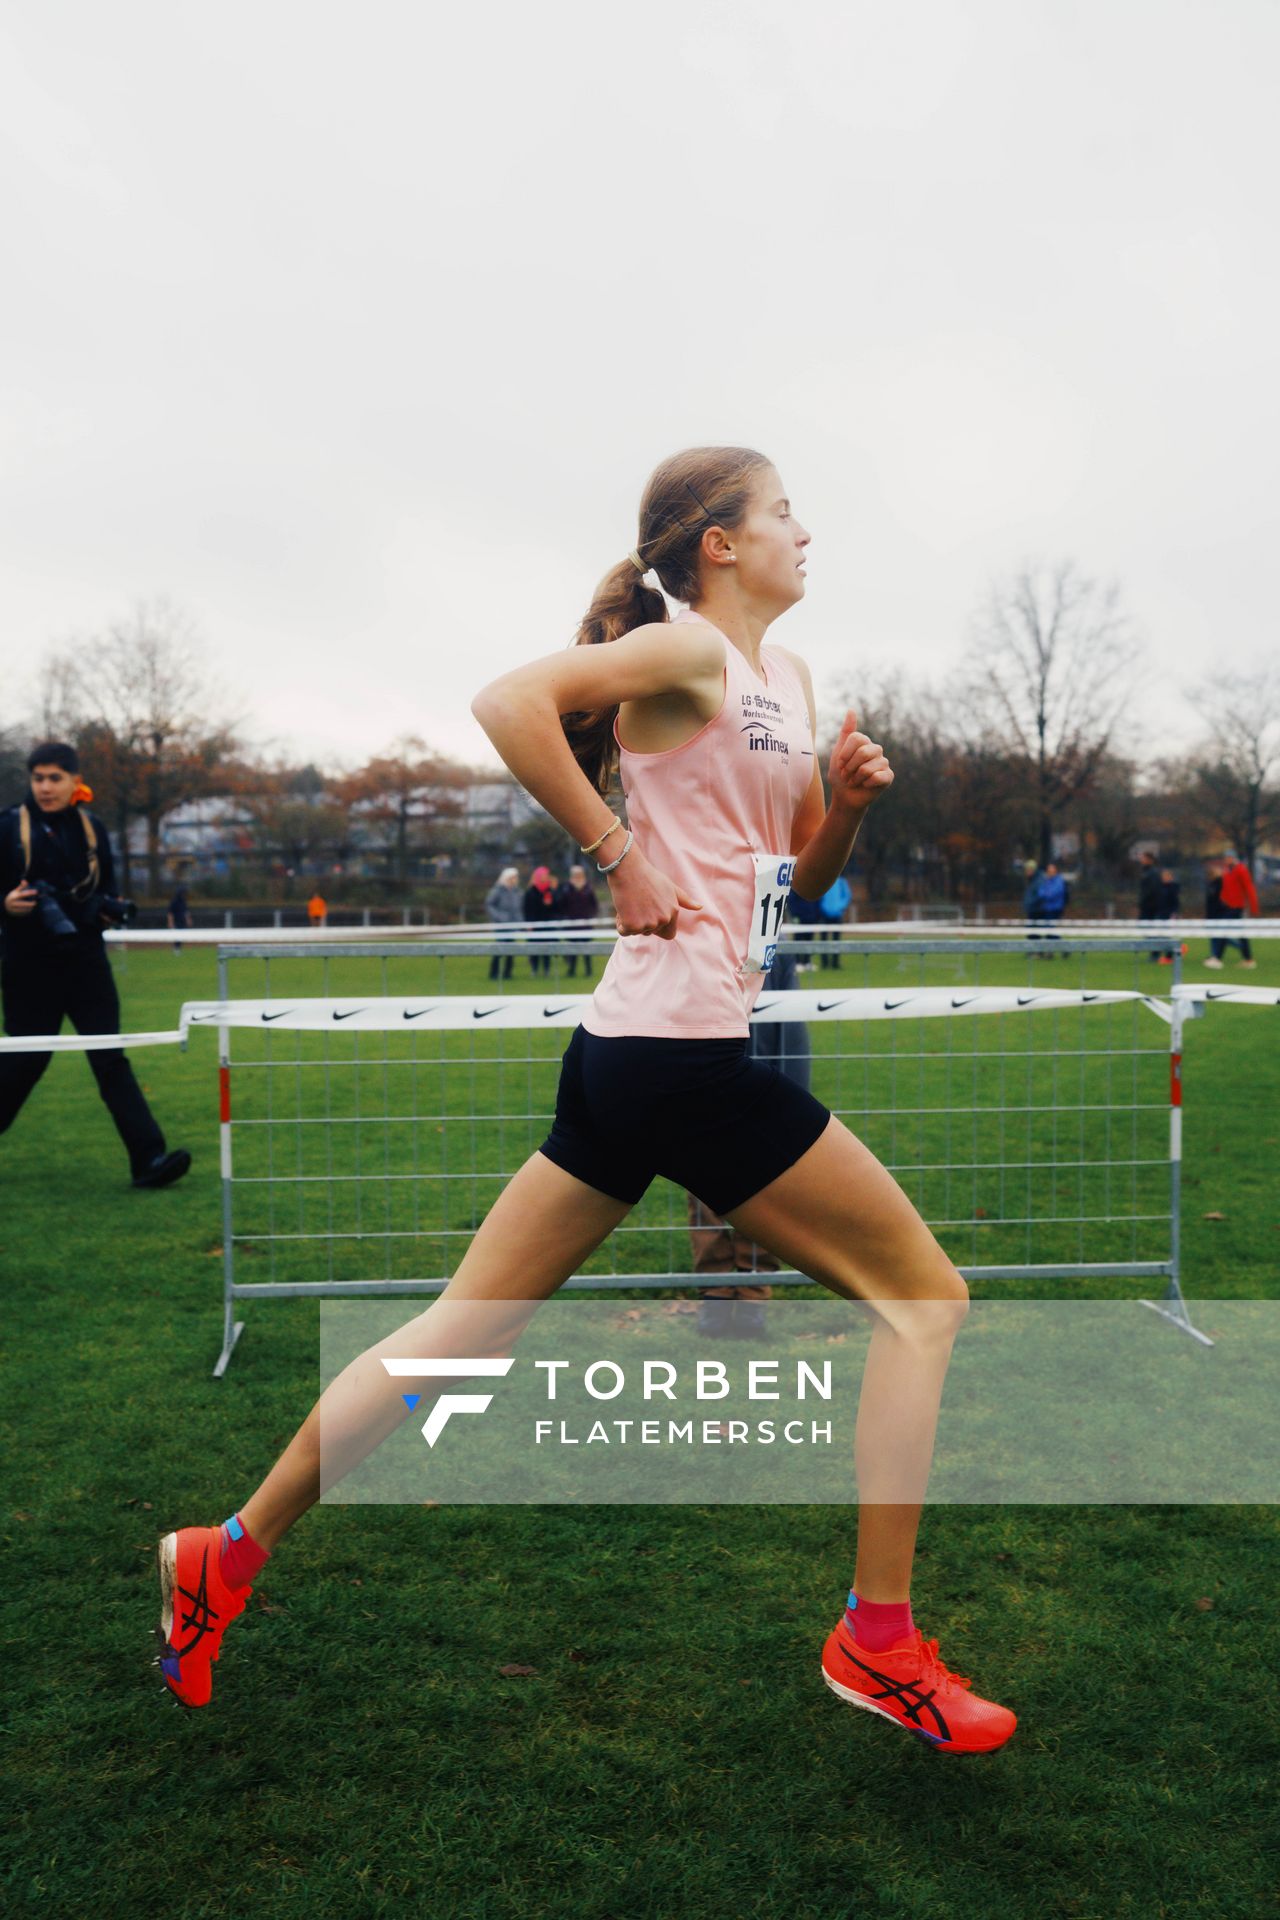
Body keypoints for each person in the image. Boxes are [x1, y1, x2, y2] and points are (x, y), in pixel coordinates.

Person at [154, 446, 1014, 1755]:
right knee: (924, 1301)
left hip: (631, 1054)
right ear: (719, 543)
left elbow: (798, 866)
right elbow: (507, 701)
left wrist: (843, 808)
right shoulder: (682, 657)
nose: (804, 530)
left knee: (463, 1332)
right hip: (679, 1058)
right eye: (782, 512)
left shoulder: (786, 679)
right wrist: (614, 853)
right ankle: (877, 1642)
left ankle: (224, 1551)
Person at [0, 742, 190, 1189]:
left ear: (74, 781)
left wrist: (108, 909)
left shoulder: (93, 828)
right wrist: (5, 903)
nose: (45, 787)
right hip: (29, 966)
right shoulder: (8, 827)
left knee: (110, 1060)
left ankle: (149, 1159)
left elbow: (106, 890)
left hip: (86, 962)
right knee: (24, 1062)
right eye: (38, 778)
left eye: (55, 778)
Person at [688, 945, 811, 1337]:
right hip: (700, 1089)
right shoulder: (692, 943)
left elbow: (792, 1029)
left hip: (763, 1089)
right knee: (704, 1196)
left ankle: (754, 1296)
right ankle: (716, 1297)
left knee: (764, 1198)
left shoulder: (777, 947)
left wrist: (793, 1096)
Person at [1205, 850, 1259, 969]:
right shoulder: (1227, 870)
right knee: (1240, 934)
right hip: (1228, 906)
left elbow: (1249, 888)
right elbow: (1225, 889)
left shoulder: (1241, 869)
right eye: (1226, 858)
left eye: (1229, 857)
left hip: (1236, 907)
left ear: (1233, 858)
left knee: (1223, 930)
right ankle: (1248, 959)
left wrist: (1254, 907)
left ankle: (1217, 958)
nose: (1226, 860)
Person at [555, 863, 599, 978]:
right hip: (571, 923)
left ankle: (588, 970)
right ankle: (571, 970)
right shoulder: (567, 888)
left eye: (579, 874)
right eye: (576, 874)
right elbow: (561, 904)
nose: (578, 876)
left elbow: (594, 904)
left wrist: (591, 916)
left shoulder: (588, 888)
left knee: (586, 949)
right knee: (573, 949)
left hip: (585, 923)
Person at [483, 866, 523, 980]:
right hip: (501, 925)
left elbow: (518, 909)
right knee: (500, 948)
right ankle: (494, 972)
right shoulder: (497, 890)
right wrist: (499, 917)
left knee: (511, 948)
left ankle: (508, 972)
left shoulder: (517, 891)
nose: (515, 880)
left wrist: (521, 922)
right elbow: (489, 905)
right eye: (513, 877)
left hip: (513, 924)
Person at [522, 866, 559, 975]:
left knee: (547, 948)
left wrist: (550, 904)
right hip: (534, 924)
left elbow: (556, 907)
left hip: (547, 923)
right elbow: (526, 909)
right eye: (543, 876)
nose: (545, 878)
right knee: (534, 948)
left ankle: (546, 969)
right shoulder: (530, 892)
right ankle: (534, 969)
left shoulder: (550, 890)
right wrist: (528, 923)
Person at [816, 871, 851, 968]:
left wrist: (839, 907)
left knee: (836, 940)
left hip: (837, 915)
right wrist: (823, 908)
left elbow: (847, 896)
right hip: (824, 915)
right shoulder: (823, 881)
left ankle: (835, 963)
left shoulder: (842, 882)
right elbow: (818, 896)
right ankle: (825, 963)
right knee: (824, 940)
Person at [1137, 850, 1164, 963]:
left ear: (1149, 859)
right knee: (1147, 931)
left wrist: (1146, 902)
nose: (1141, 860)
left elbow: (1153, 891)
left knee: (1151, 931)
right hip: (1146, 906)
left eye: (1143, 858)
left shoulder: (1152, 873)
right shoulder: (1146, 872)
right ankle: (1157, 951)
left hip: (1151, 907)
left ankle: (1156, 953)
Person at [1157, 868, 1180, 965]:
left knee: (1168, 935)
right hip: (1161, 914)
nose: (1164, 878)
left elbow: (1175, 902)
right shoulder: (1160, 887)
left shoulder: (1173, 888)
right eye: (1163, 876)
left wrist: (1174, 913)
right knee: (1161, 935)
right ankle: (1164, 954)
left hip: (1170, 914)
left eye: (1166, 876)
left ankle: (1170, 955)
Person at [166, 881, 192, 954]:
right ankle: (176, 949)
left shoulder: (183, 901)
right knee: (177, 936)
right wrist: (170, 922)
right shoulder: (174, 902)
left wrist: (188, 920)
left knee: (182, 935)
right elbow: (170, 913)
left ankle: (178, 948)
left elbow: (186, 912)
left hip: (182, 921)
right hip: (176, 921)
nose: (184, 894)